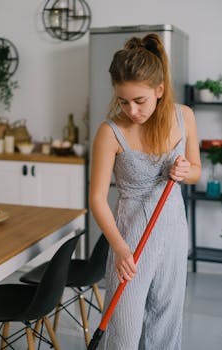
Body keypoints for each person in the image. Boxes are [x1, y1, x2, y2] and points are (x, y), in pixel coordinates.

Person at [89, 33, 201, 350]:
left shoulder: (185, 117)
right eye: (123, 101)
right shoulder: (110, 132)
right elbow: (97, 199)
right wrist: (120, 248)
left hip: (172, 231)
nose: (132, 111)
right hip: (129, 235)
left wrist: (184, 171)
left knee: (164, 325)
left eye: (140, 101)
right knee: (124, 331)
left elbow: (195, 172)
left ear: (159, 90)